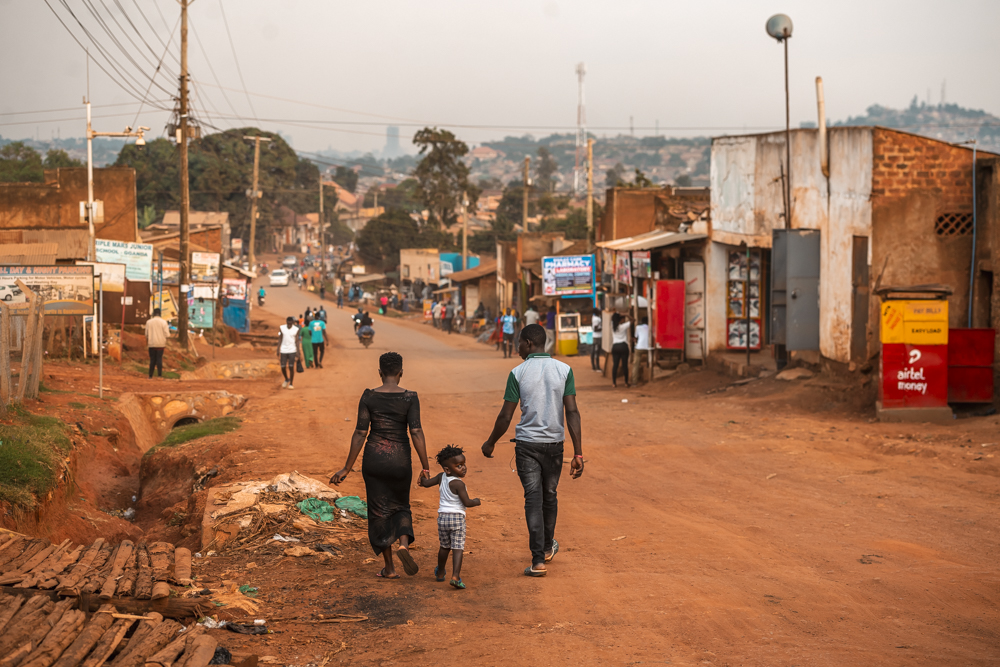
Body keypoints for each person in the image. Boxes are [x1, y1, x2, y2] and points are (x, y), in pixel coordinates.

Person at [481, 324, 583, 577]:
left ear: (528, 343)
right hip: (555, 446)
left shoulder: (518, 372)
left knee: (533, 499)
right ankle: (547, 547)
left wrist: (491, 441)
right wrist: (578, 453)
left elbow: (506, 416)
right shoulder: (564, 370)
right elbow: (572, 411)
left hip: (527, 446)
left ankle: (538, 560)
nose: (517, 348)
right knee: (550, 496)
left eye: (518, 343)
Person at [331, 352, 432, 579]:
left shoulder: (368, 397)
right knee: (401, 506)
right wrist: (426, 467)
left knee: (379, 512)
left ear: (379, 372)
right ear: (401, 373)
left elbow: (360, 433)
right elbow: (416, 431)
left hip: (374, 460)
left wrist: (346, 468)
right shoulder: (410, 397)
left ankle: (389, 568)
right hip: (400, 460)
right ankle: (404, 546)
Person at [419, 445, 480, 590]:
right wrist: (476, 501)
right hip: (457, 519)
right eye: (459, 466)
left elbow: (426, 483)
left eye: (464, 464)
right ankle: (455, 576)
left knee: (444, 546)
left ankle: (440, 572)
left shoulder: (441, 477)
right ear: (447, 469)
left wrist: (422, 476)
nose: (464, 468)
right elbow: (467, 502)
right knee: (457, 548)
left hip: (442, 519)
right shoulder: (459, 483)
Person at [277, 316, 302, 389]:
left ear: (293, 323)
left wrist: (298, 351)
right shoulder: (282, 328)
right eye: (288, 323)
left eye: (290, 324)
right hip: (283, 350)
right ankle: (286, 379)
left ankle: (291, 383)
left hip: (292, 350)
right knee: (283, 366)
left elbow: (297, 341)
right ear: (286, 322)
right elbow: (280, 338)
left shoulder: (296, 329)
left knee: (291, 366)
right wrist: (278, 349)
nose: (289, 325)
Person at [144, 308, 170, 379]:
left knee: (152, 359)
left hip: (151, 344)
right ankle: (159, 375)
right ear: (160, 314)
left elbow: (146, 334)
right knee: (159, 359)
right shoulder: (164, 322)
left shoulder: (148, 322)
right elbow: (167, 334)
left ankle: (150, 375)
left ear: (153, 314)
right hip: (161, 344)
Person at [610, 312, 632, 388]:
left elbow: (612, 318)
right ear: (620, 319)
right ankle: (626, 382)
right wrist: (626, 314)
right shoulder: (623, 326)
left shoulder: (612, 326)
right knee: (624, 365)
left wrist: (619, 315)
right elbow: (633, 320)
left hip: (615, 346)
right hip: (623, 346)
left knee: (615, 365)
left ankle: (614, 383)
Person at [591, 308, 603, 372]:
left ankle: (594, 366)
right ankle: (597, 367)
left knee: (595, 351)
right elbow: (595, 329)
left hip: (595, 336)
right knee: (596, 352)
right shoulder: (597, 319)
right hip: (597, 337)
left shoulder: (594, 318)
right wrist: (602, 328)